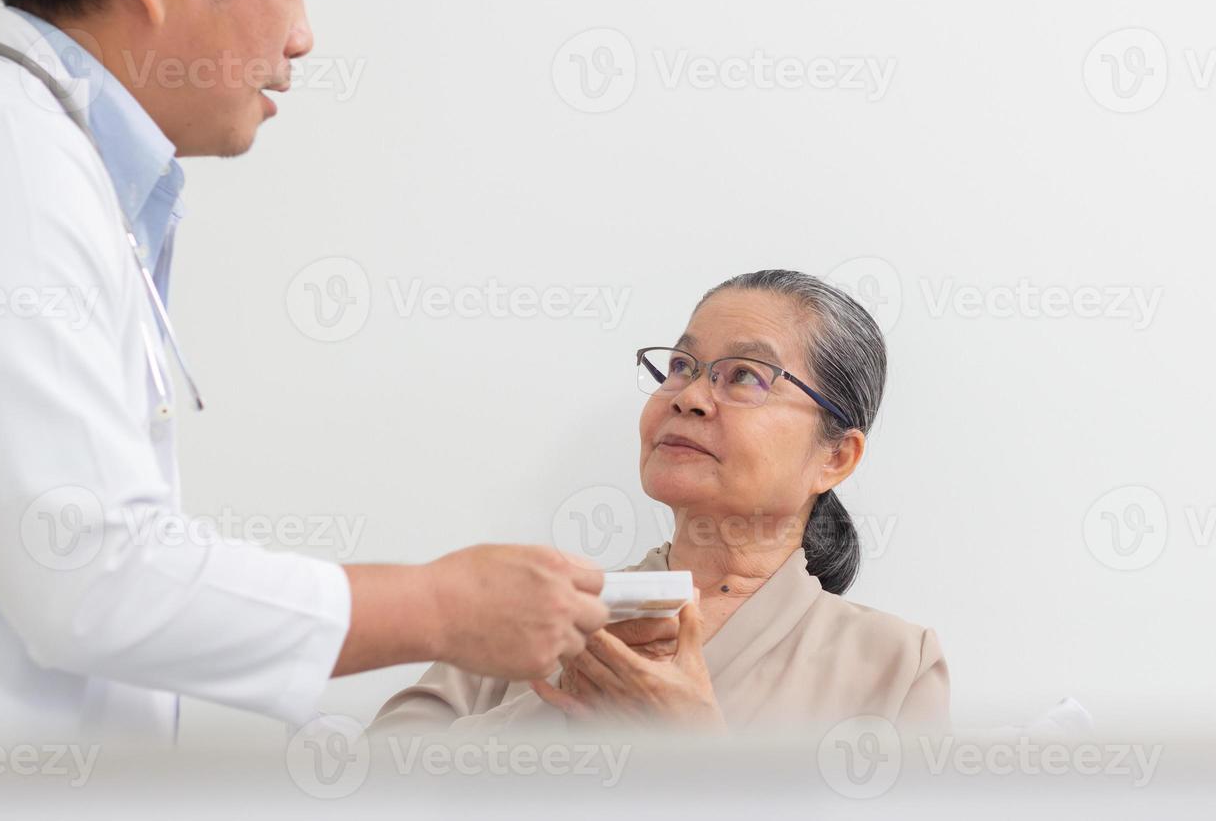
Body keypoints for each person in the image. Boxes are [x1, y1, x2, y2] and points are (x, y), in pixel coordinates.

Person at [0, 0, 607, 743]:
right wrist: (438, 607)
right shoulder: (1, 154)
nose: (302, 37)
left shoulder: (51, 164)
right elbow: (83, 570)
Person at [373, 270, 949, 737]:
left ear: (836, 458)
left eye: (745, 376)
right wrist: (562, 702)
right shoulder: (536, 609)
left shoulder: (895, 664)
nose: (691, 397)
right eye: (680, 366)